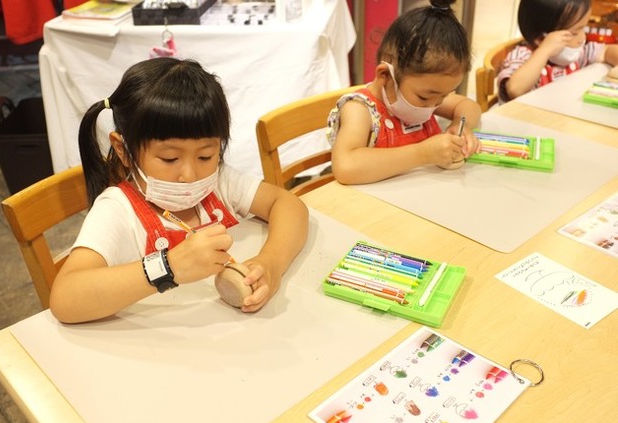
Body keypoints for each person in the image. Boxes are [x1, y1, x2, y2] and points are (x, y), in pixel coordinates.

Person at [50, 57, 308, 324]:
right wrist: (168, 267)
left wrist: (271, 263)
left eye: (206, 156)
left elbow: (288, 204)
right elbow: (65, 299)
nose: (190, 175)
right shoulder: (117, 209)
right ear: (123, 150)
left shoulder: (219, 182)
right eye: (170, 159)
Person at [327, 0, 482, 185]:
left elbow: (468, 106)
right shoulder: (360, 110)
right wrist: (423, 154)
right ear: (386, 76)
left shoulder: (430, 97)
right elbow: (345, 167)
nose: (433, 106)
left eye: (443, 96)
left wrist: (461, 126)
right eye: (424, 97)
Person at [498, 0, 618, 102]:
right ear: (541, 39)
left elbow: (605, 51)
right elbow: (515, 90)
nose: (582, 37)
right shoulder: (522, 56)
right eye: (574, 33)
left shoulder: (578, 53)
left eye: (584, 29)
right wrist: (544, 51)